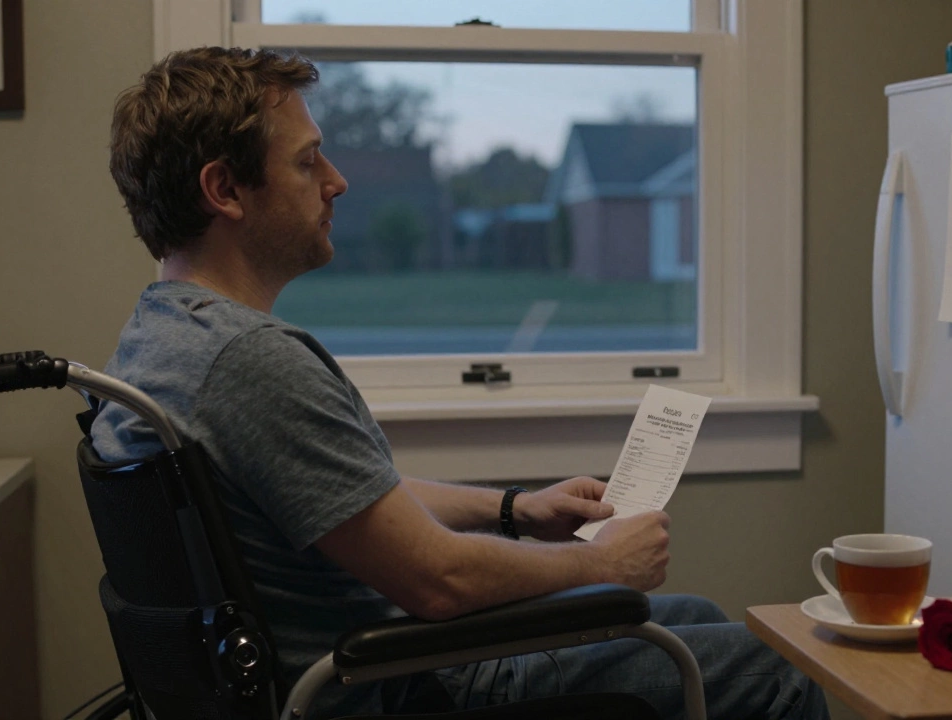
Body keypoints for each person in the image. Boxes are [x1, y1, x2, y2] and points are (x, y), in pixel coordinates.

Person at [93, 46, 829, 720]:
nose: (337, 181)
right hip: (412, 682)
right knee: (775, 667)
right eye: (308, 161)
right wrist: (601, 560)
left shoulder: (162, 339)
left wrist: (515, 509)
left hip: (375, 656)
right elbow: (436, 580)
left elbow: (348, 500)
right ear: (225, 189)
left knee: (692, 612)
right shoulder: (251, 362)